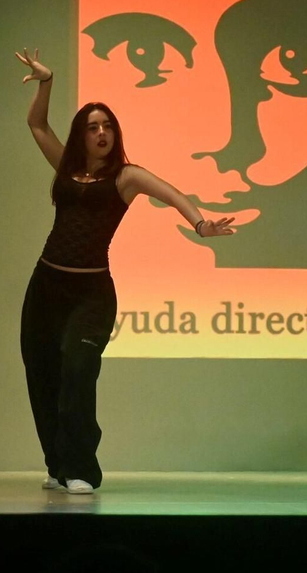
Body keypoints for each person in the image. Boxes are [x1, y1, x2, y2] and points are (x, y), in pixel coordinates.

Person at [15, 48, 236, 494]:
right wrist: (47, 81)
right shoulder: (66, 168)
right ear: (81, 135)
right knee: (42, 375)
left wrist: (200, 225)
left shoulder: (126, 177)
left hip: (91, 294)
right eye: (93, 127)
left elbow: (172, 193)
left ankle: (81, 469)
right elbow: (37, 125)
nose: (102, 133)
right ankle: (58, 464)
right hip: (46, 286)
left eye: (108, 126)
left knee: (78, 372)